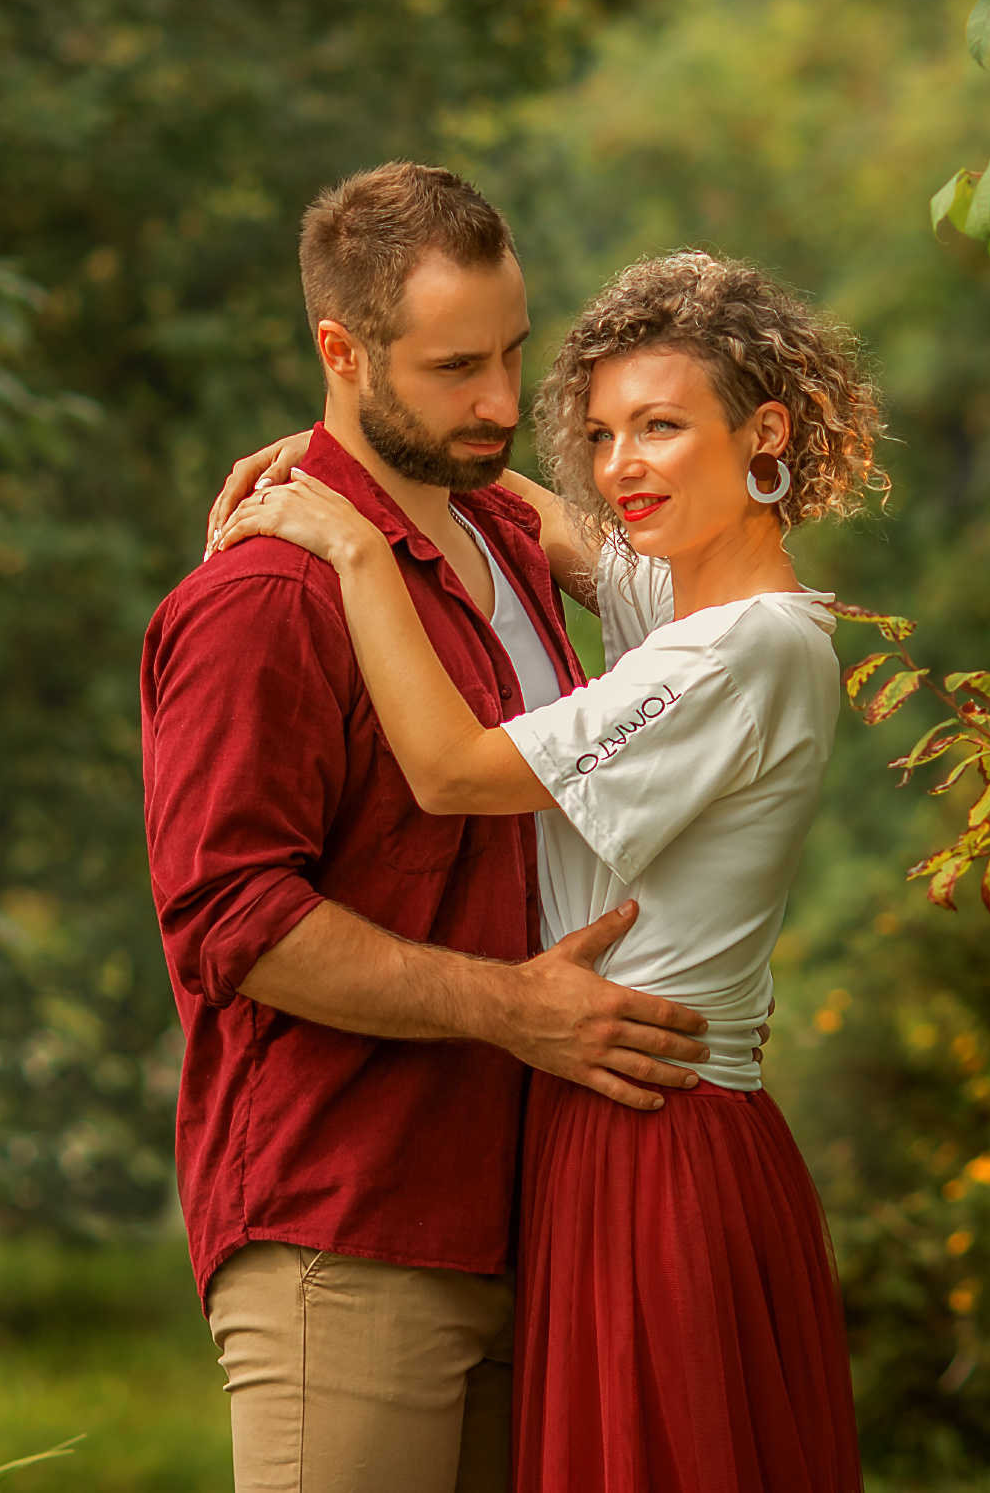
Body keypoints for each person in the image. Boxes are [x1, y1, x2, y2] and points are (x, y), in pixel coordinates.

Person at [214, 249, 881, 1493]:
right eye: (606, 431)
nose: (623, 465)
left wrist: (356, 551)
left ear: (766, 431)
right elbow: (541, 518)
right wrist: (344, 435)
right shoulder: (685, 607)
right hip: (604, 1125)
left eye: (663, 427)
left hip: (656, 1135)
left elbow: (456, 771)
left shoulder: (736, 652)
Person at [139, 163, 718, 1493]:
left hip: (531, 1218)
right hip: (347, 1237)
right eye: (459, 366)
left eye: (516, 352)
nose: (504, 404)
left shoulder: (504, 529)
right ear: (340, 351)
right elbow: (234, 920)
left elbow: (725, 620)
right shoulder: (263, 598)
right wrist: (514, 1006)